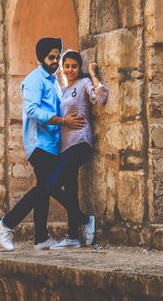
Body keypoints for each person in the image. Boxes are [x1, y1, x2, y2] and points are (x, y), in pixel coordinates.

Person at [0, 37, 86, 251]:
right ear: (41, 57)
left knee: (43, 189)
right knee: (46, 187)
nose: (55, 61)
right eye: (51, 57)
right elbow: (33, 111)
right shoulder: (34, 80)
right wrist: (63, 121)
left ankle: (41, 237)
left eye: (57, 57)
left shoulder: (53, 80)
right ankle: (7, 222)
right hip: (39, 144)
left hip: (53, 143)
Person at [49, 49, 108, 248]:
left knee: (51, 184)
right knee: (70, 189)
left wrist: (92, 74)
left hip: (81, 141)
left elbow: (100, 97)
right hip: (65, 145)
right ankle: (73, 235)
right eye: (67, 66)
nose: (70, 69)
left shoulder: (83, 84)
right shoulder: (63, 91)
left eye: (74, 66)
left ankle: (84, 220)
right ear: (62, 69)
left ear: (79, 67)